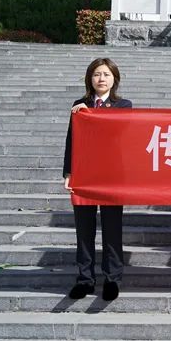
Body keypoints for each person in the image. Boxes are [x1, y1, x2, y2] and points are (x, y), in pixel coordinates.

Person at [62, 58, 131, 301]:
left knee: (112, 229)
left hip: (112, 175)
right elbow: (72, 140)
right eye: (96, 75)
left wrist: (91, 114)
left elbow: (118, 134)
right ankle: (85, 279)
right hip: (84, 174)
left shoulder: (124, 105)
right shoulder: (79, 105)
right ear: (89, 79)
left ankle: (112, 278)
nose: (101, 79)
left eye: (106, 74)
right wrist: (68, 173)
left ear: (114, 79)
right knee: (84, 229)